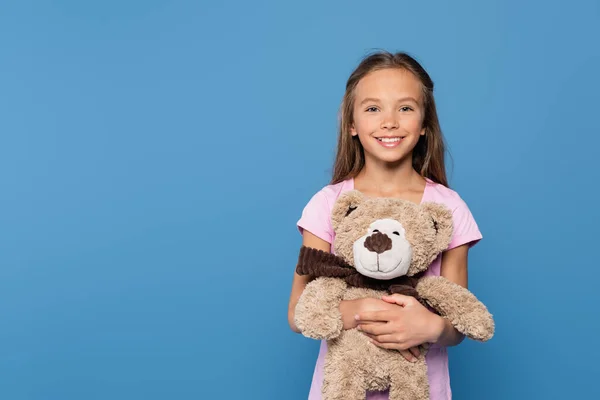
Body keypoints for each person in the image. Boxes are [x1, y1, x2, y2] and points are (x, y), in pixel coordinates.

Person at [287, 50, 483, 400]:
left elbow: (457, 324)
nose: (389, 121)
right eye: (373, 108)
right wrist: (361, 310)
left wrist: (431, 326)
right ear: (351, 124)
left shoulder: (448, 208)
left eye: (405, 108)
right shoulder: (329, 204)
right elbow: (298, 311)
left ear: (425, 124)